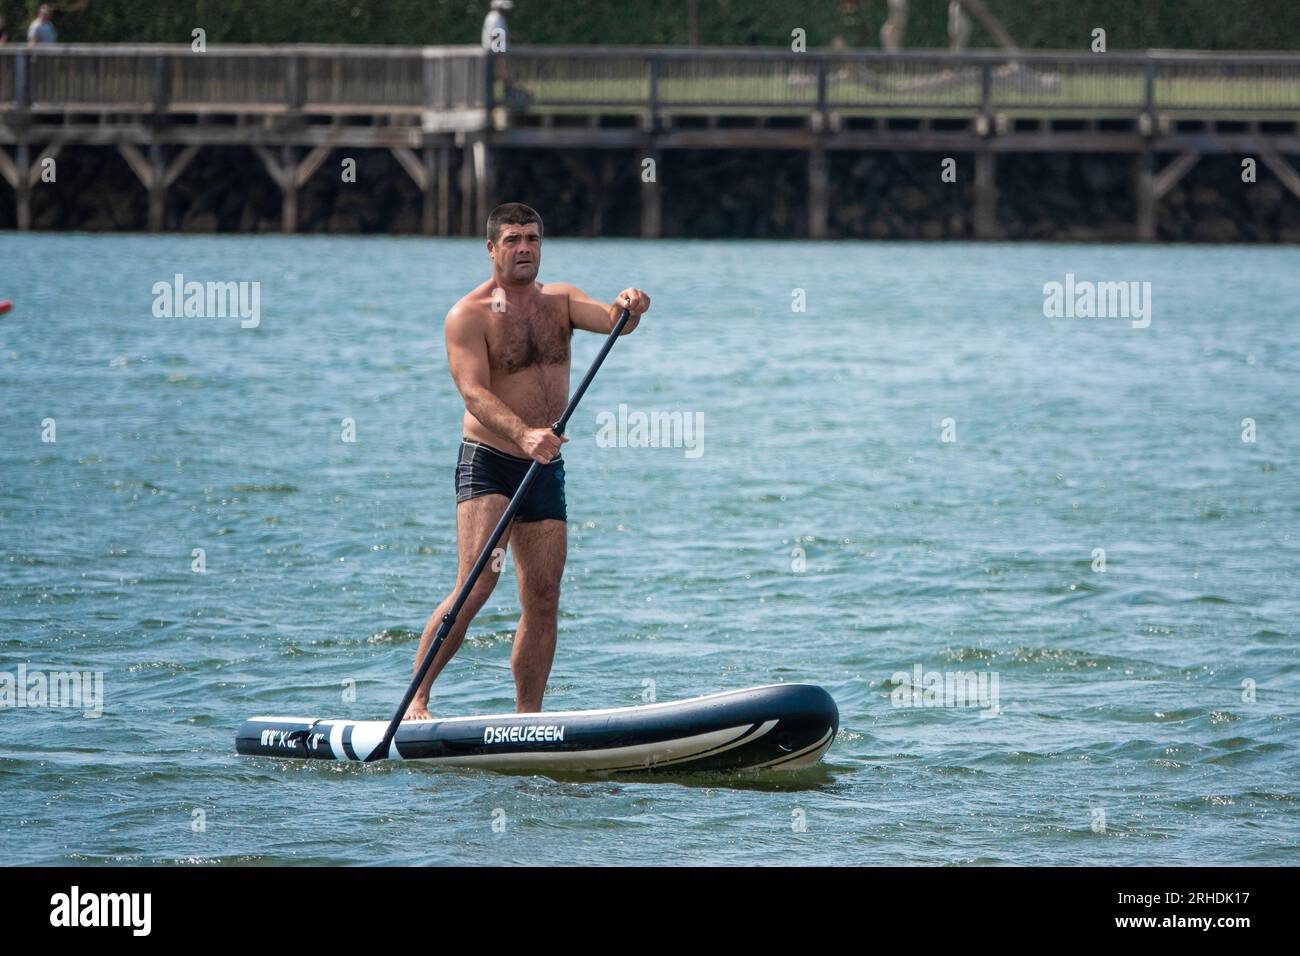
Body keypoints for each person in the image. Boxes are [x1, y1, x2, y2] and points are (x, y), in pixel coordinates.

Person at [404, 203, 650, 718]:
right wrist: (524, 433)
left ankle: (527, 718)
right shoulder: (467, 315)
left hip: (544, 469)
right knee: (477, 585)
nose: (524, 249)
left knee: (542, 595)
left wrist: (629, 305)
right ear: (492, 248)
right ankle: (417, 701)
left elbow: (612, 322)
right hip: (490, 462)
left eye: (533, 240)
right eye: (513, 240)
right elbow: (472, 393)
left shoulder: (559, 301)